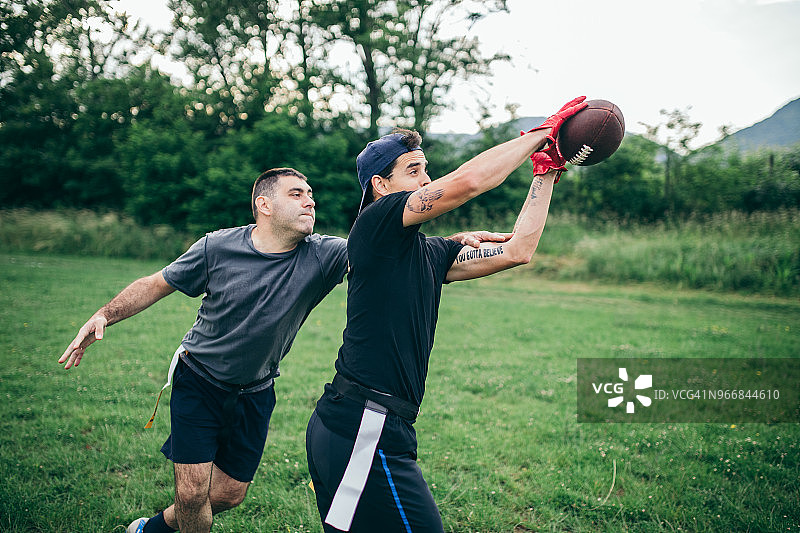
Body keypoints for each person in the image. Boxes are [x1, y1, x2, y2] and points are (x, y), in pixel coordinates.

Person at [59, 167, 496, 533]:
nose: (310, 201)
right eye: (296, 194)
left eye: (311, 194)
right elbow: (157, 283)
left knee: (227, 495)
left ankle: (151, 529)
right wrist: (104, 315)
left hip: (256, 389)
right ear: (264, 204)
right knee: (192, 494)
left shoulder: (325, 255)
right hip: (200, 379)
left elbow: (386, 252)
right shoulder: (217, 247)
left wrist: (448, 245)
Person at [306, 97, 587, 532]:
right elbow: (467, 183)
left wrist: (545, 171)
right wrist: (541, 134)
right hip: (365, 425)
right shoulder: (375, 222)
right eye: (413, 170)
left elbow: (518, 250)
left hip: (370, 424)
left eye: (426, 169)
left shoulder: (430, 252)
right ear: (381, 185)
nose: (426, 180)